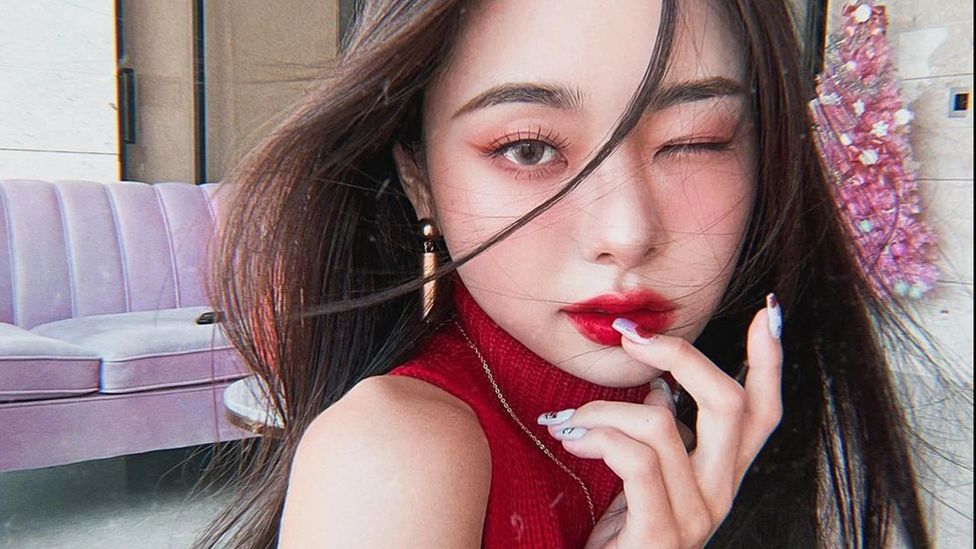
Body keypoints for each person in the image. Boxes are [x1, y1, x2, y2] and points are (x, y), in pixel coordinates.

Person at [194, 1, 945, 547]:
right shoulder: (394, 453)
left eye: (695, 141)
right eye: (528, 148)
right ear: (419, 177)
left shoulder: (722, 425)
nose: (628, 233)